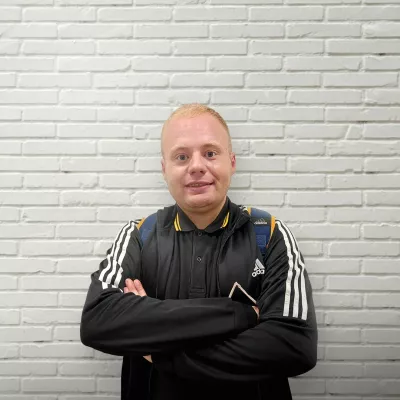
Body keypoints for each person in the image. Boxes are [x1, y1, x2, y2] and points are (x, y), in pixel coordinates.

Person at [80, 104, 317, 400]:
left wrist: (159, 350)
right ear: (164, 169)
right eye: (181, 156)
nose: (196, 166)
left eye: (210, 153)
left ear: (231, 161)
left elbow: (294, 346)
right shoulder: (138, 235)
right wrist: (239, 315)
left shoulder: (269, 233)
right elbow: (97, 322)